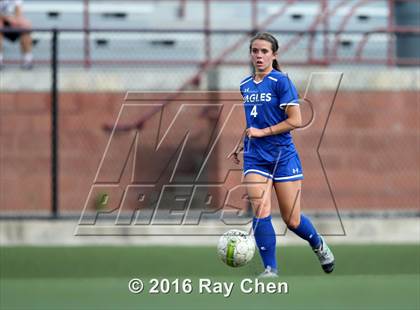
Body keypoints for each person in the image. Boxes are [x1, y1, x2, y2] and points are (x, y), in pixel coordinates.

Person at [229, 32, 335, 277]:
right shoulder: (245, 85)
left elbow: (296, 120)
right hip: (255, 157)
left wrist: (262, 132)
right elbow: (252, 122)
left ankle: (317, 244)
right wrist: (242, 142)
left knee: (292, 220)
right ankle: (270, 269)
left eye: (264, 51)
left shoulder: (281, 81)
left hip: (283, 157)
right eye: (255, 51)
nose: (259, 55)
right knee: (261, 208)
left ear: (274, 55)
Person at [0, 0, 33, 69]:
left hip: (11, 21)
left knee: (25, 26)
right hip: (3, 22)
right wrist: (6, 18)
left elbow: (18, 14)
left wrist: (13, 20)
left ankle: (27, 60)